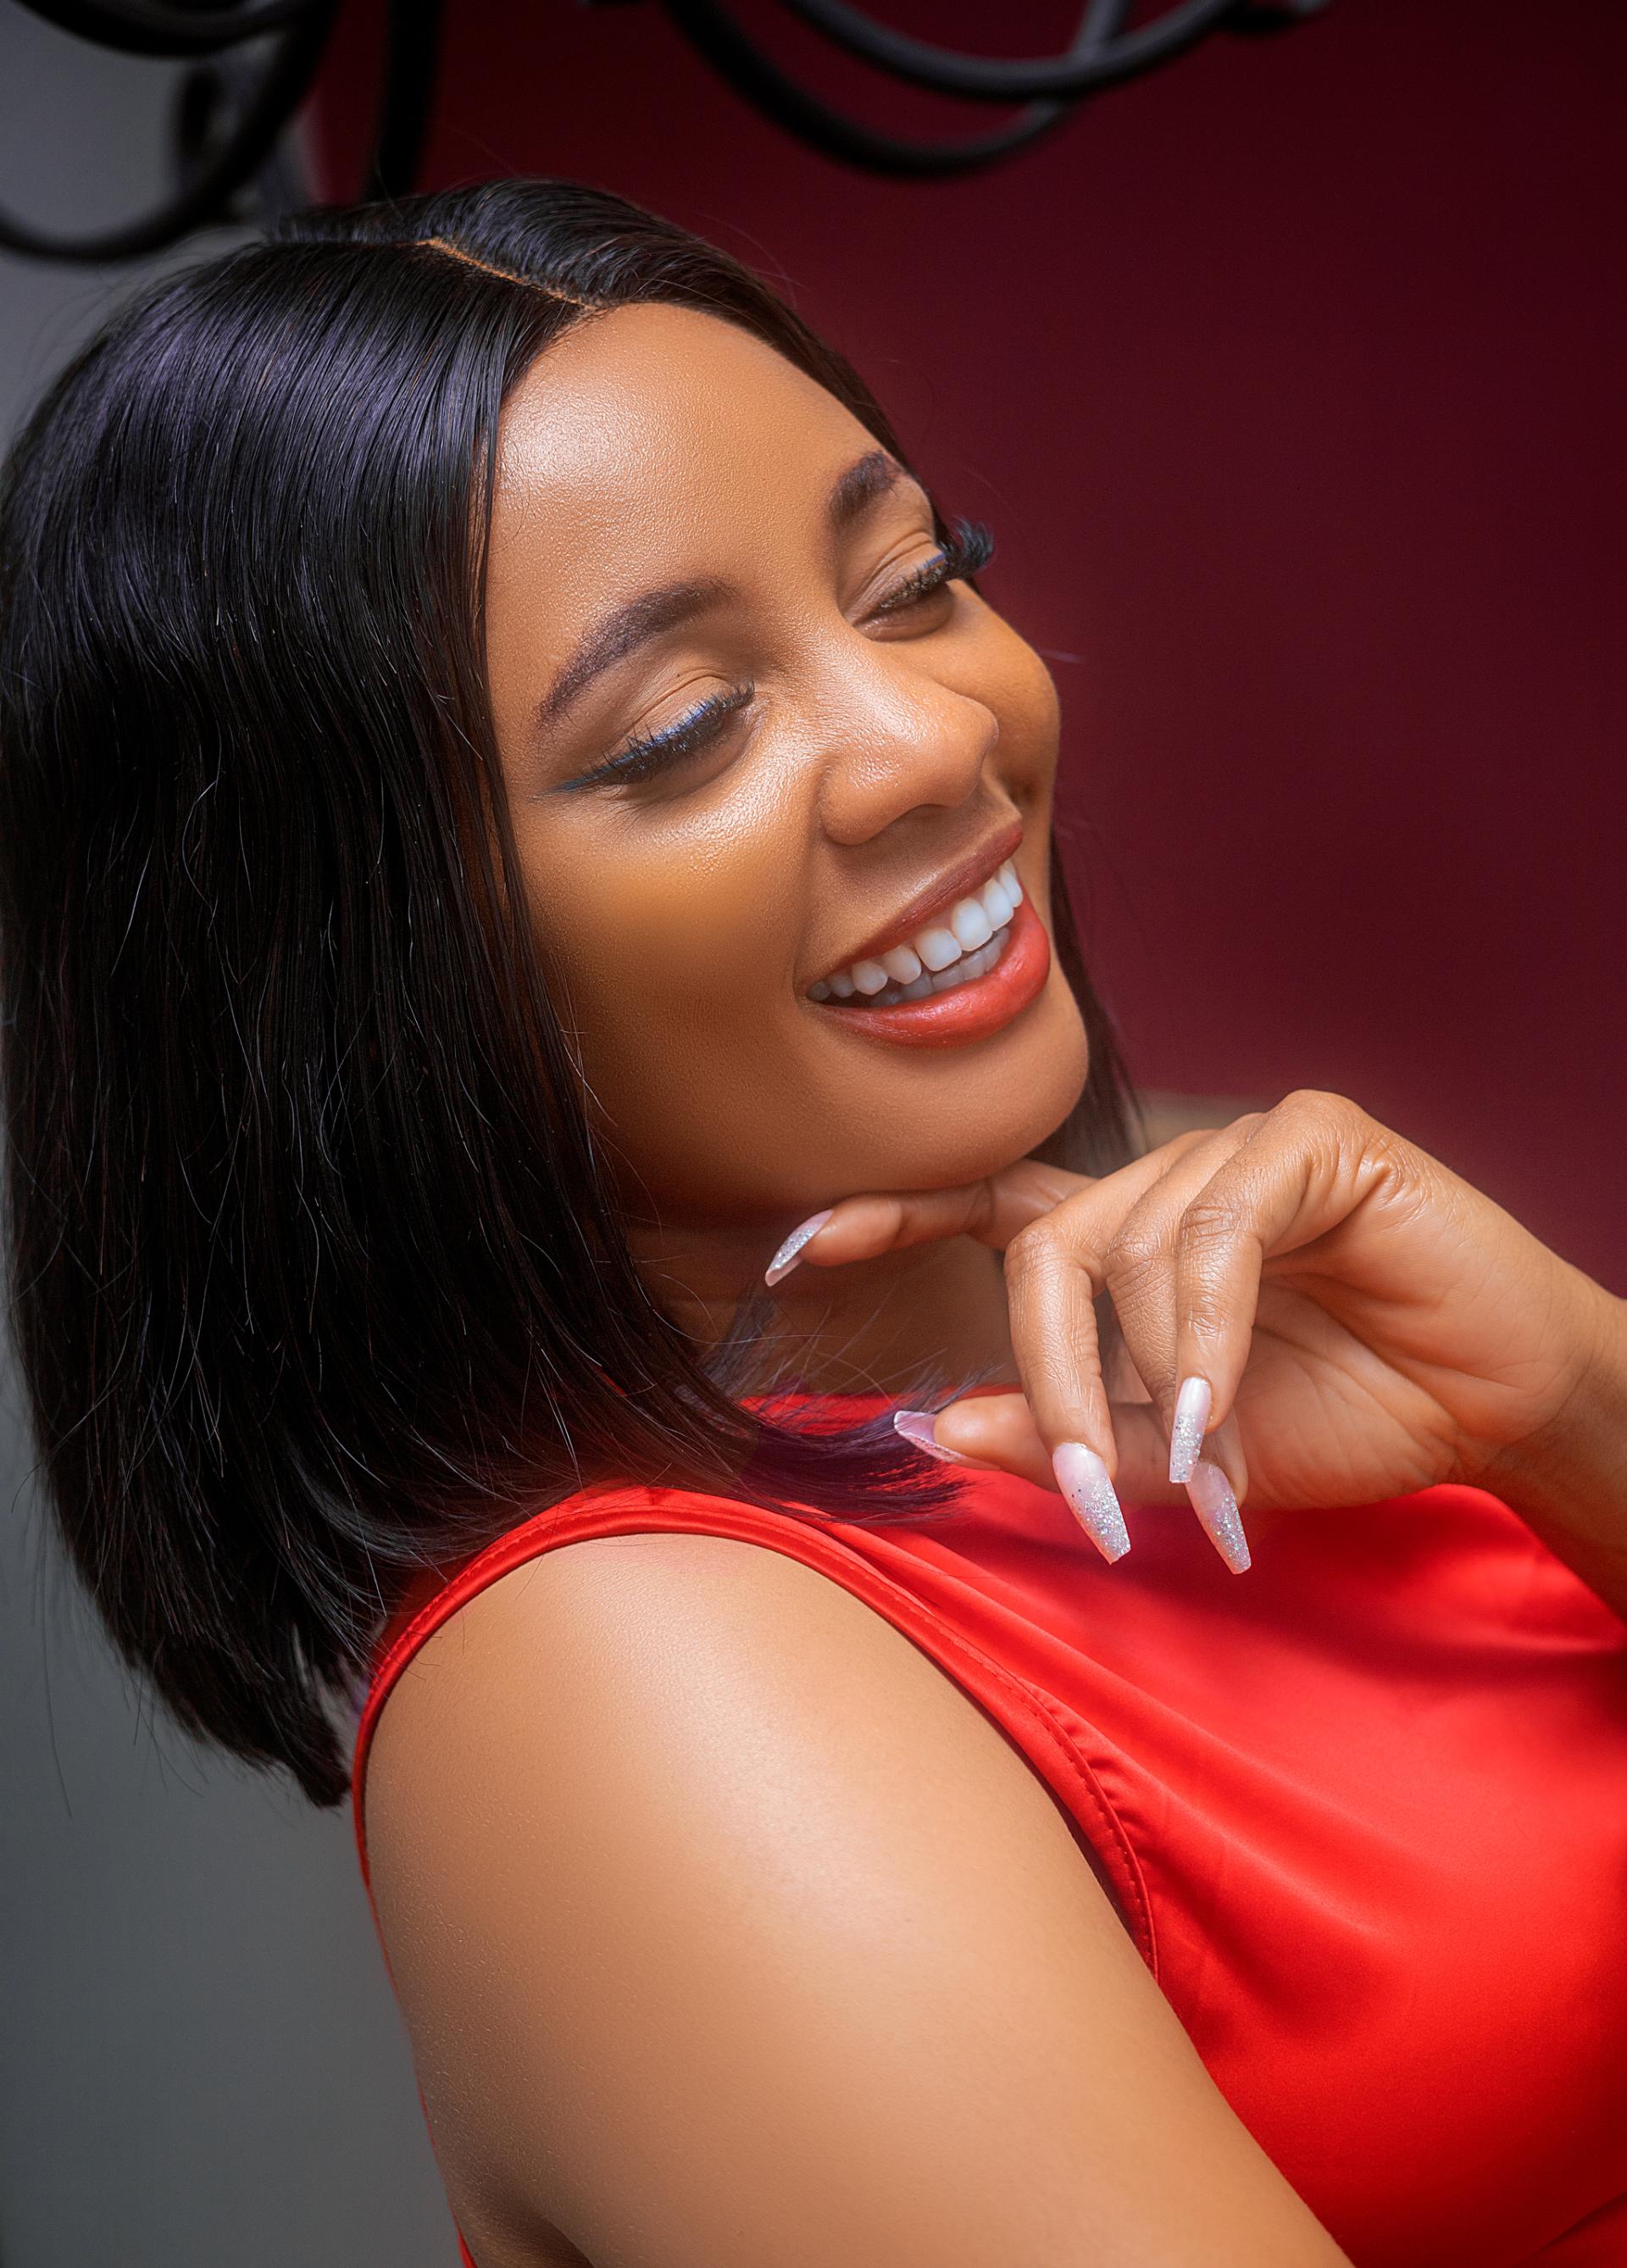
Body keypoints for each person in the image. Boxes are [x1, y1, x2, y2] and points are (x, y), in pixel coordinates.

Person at [0, 179, 1622, 2268]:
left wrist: (1570, 1392)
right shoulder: (615, 1684)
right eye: (683, 730)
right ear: (351, 973)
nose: (936, 739)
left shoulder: (1219, 1272)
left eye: (915, 579)